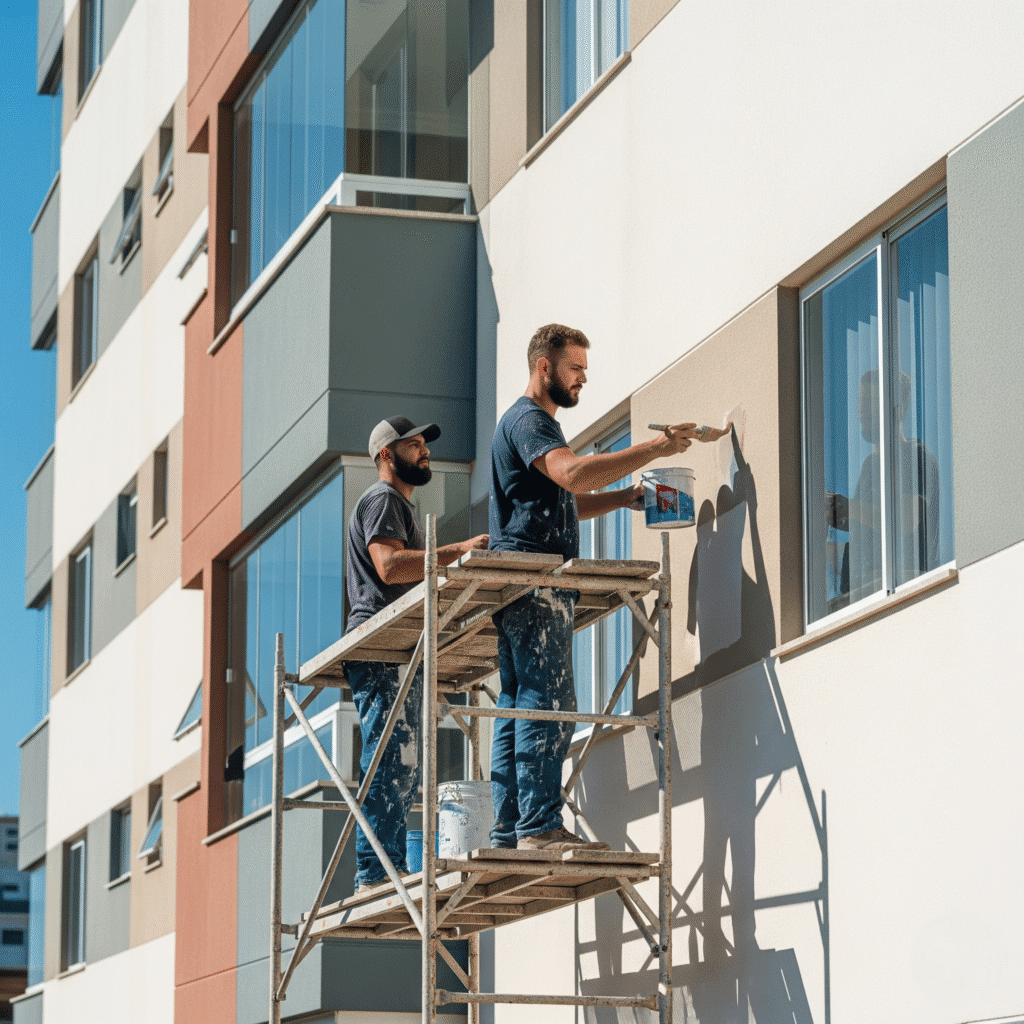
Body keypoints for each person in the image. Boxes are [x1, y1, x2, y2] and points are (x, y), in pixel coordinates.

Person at [488, 324, 728, 852]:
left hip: (517, 586)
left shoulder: (520, 425)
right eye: (575, 370)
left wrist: (623, 499)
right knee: (547, 698)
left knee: (518, 702)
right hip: (536, 579)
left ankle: (509, 829)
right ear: (543, 367)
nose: (582, 381)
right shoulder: (532, 421)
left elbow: (564, 498)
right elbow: (573, 475)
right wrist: (656, 447)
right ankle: (539, 828)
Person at [345, 416, 488, 891]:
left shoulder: (398, 505)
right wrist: (460, 550)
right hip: (381, 641)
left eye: (426, 444)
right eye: (414, 446)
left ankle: (383, 868)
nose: (425, 452)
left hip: (395, 644)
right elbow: (388, 567)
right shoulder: (384, 499)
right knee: (391, 758)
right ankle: (375, 872)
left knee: (398, 760)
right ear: (387, 455)